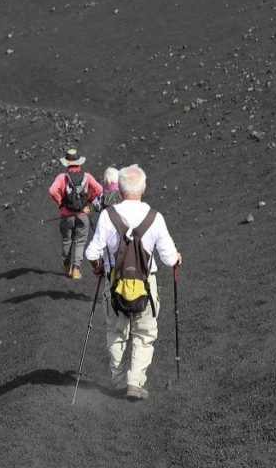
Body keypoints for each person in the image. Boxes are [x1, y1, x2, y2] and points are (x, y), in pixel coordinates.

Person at [85, 164, 182, 400]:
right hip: (145, 287)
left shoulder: (108, 216)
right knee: (144, 334)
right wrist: (178, 258)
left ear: (119, 190)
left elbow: (91, 253)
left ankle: (118, 381)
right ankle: (135, 381)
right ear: (144, 188)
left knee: (116, 333)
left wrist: (98, 269)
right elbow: (169, 259)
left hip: (115, 285)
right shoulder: (155, 218)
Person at [49, 149, 102, 279]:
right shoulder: (87, 177)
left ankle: (66, 264)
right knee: (80, 241)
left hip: (67, 215)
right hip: (82, 214)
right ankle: (76, 270)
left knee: (67, 240)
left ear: (67, 163)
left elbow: (52, 191)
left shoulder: (62, 177)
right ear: (79, 163)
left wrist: (60, 202)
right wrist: (88, 200)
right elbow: (99, 189)